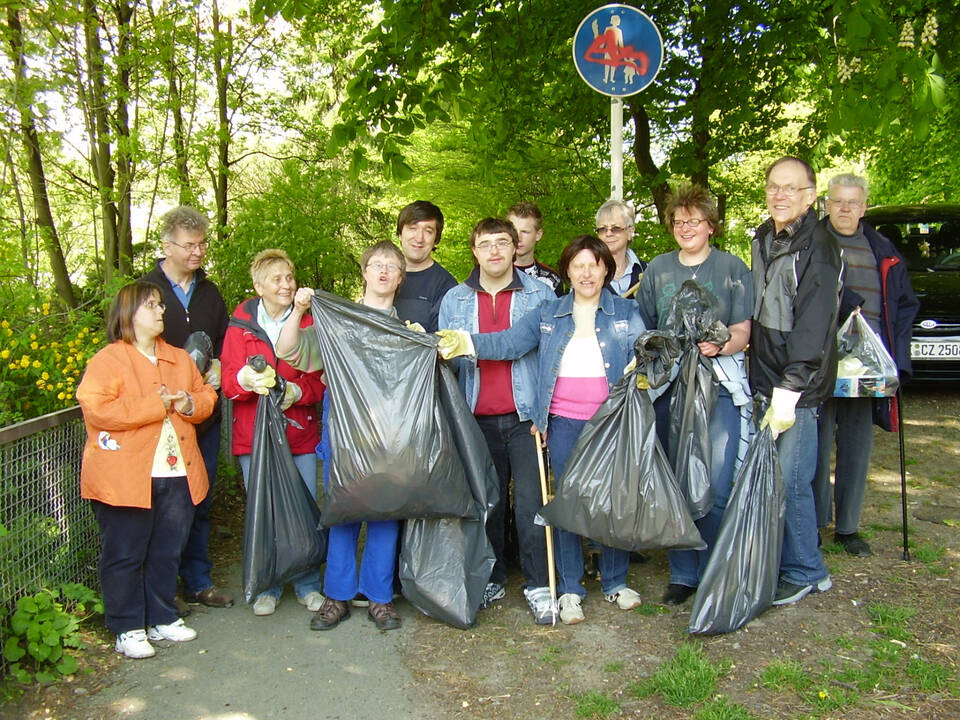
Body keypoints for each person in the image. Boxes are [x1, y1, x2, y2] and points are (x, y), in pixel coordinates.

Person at [438, 235, 647, 625]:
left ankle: (615, 581)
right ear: (567, 270)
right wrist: (464, 341)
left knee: (611, 502)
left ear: (606, 269)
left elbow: (649, 356)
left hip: (611, 422)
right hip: (563, 422)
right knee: (567, 505)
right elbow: (509, 343)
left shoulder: (627, 313)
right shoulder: (549, 312)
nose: (586, 273)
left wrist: (647, 377)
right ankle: (569, 588)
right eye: (578, 266)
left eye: (594, 265)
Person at [77, 281, 217, 659]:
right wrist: (155, 407)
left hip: (176, 470)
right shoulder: (108, 361)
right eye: (152, 306)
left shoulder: (178, 358)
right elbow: (97, 409)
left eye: (160, 305)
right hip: (124, 477)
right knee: (125, 553)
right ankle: (127, 627)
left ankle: (162, 617)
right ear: (129, 314)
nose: (161, 311)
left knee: (166, 550)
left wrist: (188, 402)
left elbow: (206, 397)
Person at [274, 241, 408, 632]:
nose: (383, 271)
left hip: (389, 428)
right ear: (364, 273)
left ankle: (380, 598)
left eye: (391, 266)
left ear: (400, 278)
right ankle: (338, 595)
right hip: (344, 423)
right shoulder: (336, 324)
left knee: (386, 509)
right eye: (376, 264)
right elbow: (287, 351)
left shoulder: (406, 331)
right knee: (343, 506)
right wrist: (299, 310)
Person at [634, 183, 753, 605]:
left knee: (717, 481)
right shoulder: (659, 270)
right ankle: (684, 574)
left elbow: (743, 330)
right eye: (678, 221)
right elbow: (645, 325)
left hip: (717, 385)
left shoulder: (733, 268)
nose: (685, 228)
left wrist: (722, 345)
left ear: (711, 226)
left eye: (694, 221)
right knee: (677, 481)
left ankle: (715, 567)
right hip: (669, 387)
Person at [438, 218, 556, 624]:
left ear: (515, 247)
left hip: (525, 419)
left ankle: (540, 584)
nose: (494, 251)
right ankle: (491, 576)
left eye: (502, 243)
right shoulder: (454, 299)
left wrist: (544, 412)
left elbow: (532, 350)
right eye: (485, 244)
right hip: (475, 418)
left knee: (531, 505)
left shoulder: (541, 293)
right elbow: (445, 366)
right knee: (486, 505)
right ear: (474, 250)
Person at [751, 157, 842, 606]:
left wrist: (790, 388)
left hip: (796, 387)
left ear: (810, 195)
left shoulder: (819, 245)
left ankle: (807, 569)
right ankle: (790, 560)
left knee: (791, 478)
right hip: (766, 377)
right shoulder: (765, 238)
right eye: (773, 186)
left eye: (791, 188)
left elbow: (813, 324)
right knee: (774, 478)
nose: (780, 195)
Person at [814, 174, 919, 557]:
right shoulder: (812, 241)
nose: (844, 208)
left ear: (863, 207)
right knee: (818, 444)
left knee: (857, 445)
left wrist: (898, 357)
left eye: (852, 202)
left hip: (867, 365)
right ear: (826, 204)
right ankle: (814, 523)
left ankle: (848, 528)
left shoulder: (882, 248)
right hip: (820, 360)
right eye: (838, 201)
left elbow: (905, 304)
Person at [220, 249, 327, 615]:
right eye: (277, 279)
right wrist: (244, 380)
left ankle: (308, 583)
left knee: (304, 511)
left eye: (289, 277)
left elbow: (320, 384)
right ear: (258, 286)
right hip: (254, 437)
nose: (285, 284)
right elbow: (228, 384)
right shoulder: (239, 327)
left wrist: (298, 393)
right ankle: (268, 585)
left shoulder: (310, 325)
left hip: (300, 434)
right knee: (264, 512)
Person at [141, 206, 233, 610]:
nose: (198, 252)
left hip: (204, 416)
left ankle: (198, 580)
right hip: (159, 421)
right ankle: (161, 590)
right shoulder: (146, 292)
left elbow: (226, 344)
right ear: (167, 246)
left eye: (202, 244)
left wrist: (218, 370)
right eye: (190, 245)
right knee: (161, 503)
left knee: (200, 498)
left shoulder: (210, 292)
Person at [392, 200, 458, 332]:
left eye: (428, 231)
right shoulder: (383, 274)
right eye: (413, 228)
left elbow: (442, 343)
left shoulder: (446, 286)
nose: (419, 238)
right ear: (400, 234)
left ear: (436, 239)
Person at [507, 202, 563, 296]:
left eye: (525, 232)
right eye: (513, 231)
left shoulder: (551, 280)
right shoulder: (491, 275)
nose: (518, 238)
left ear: (538, 235)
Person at [595, 199, 647, 298]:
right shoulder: (587, 275)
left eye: (616, 228)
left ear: (630, 232)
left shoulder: (647, 272)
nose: (608, 233)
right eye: (603, 229)